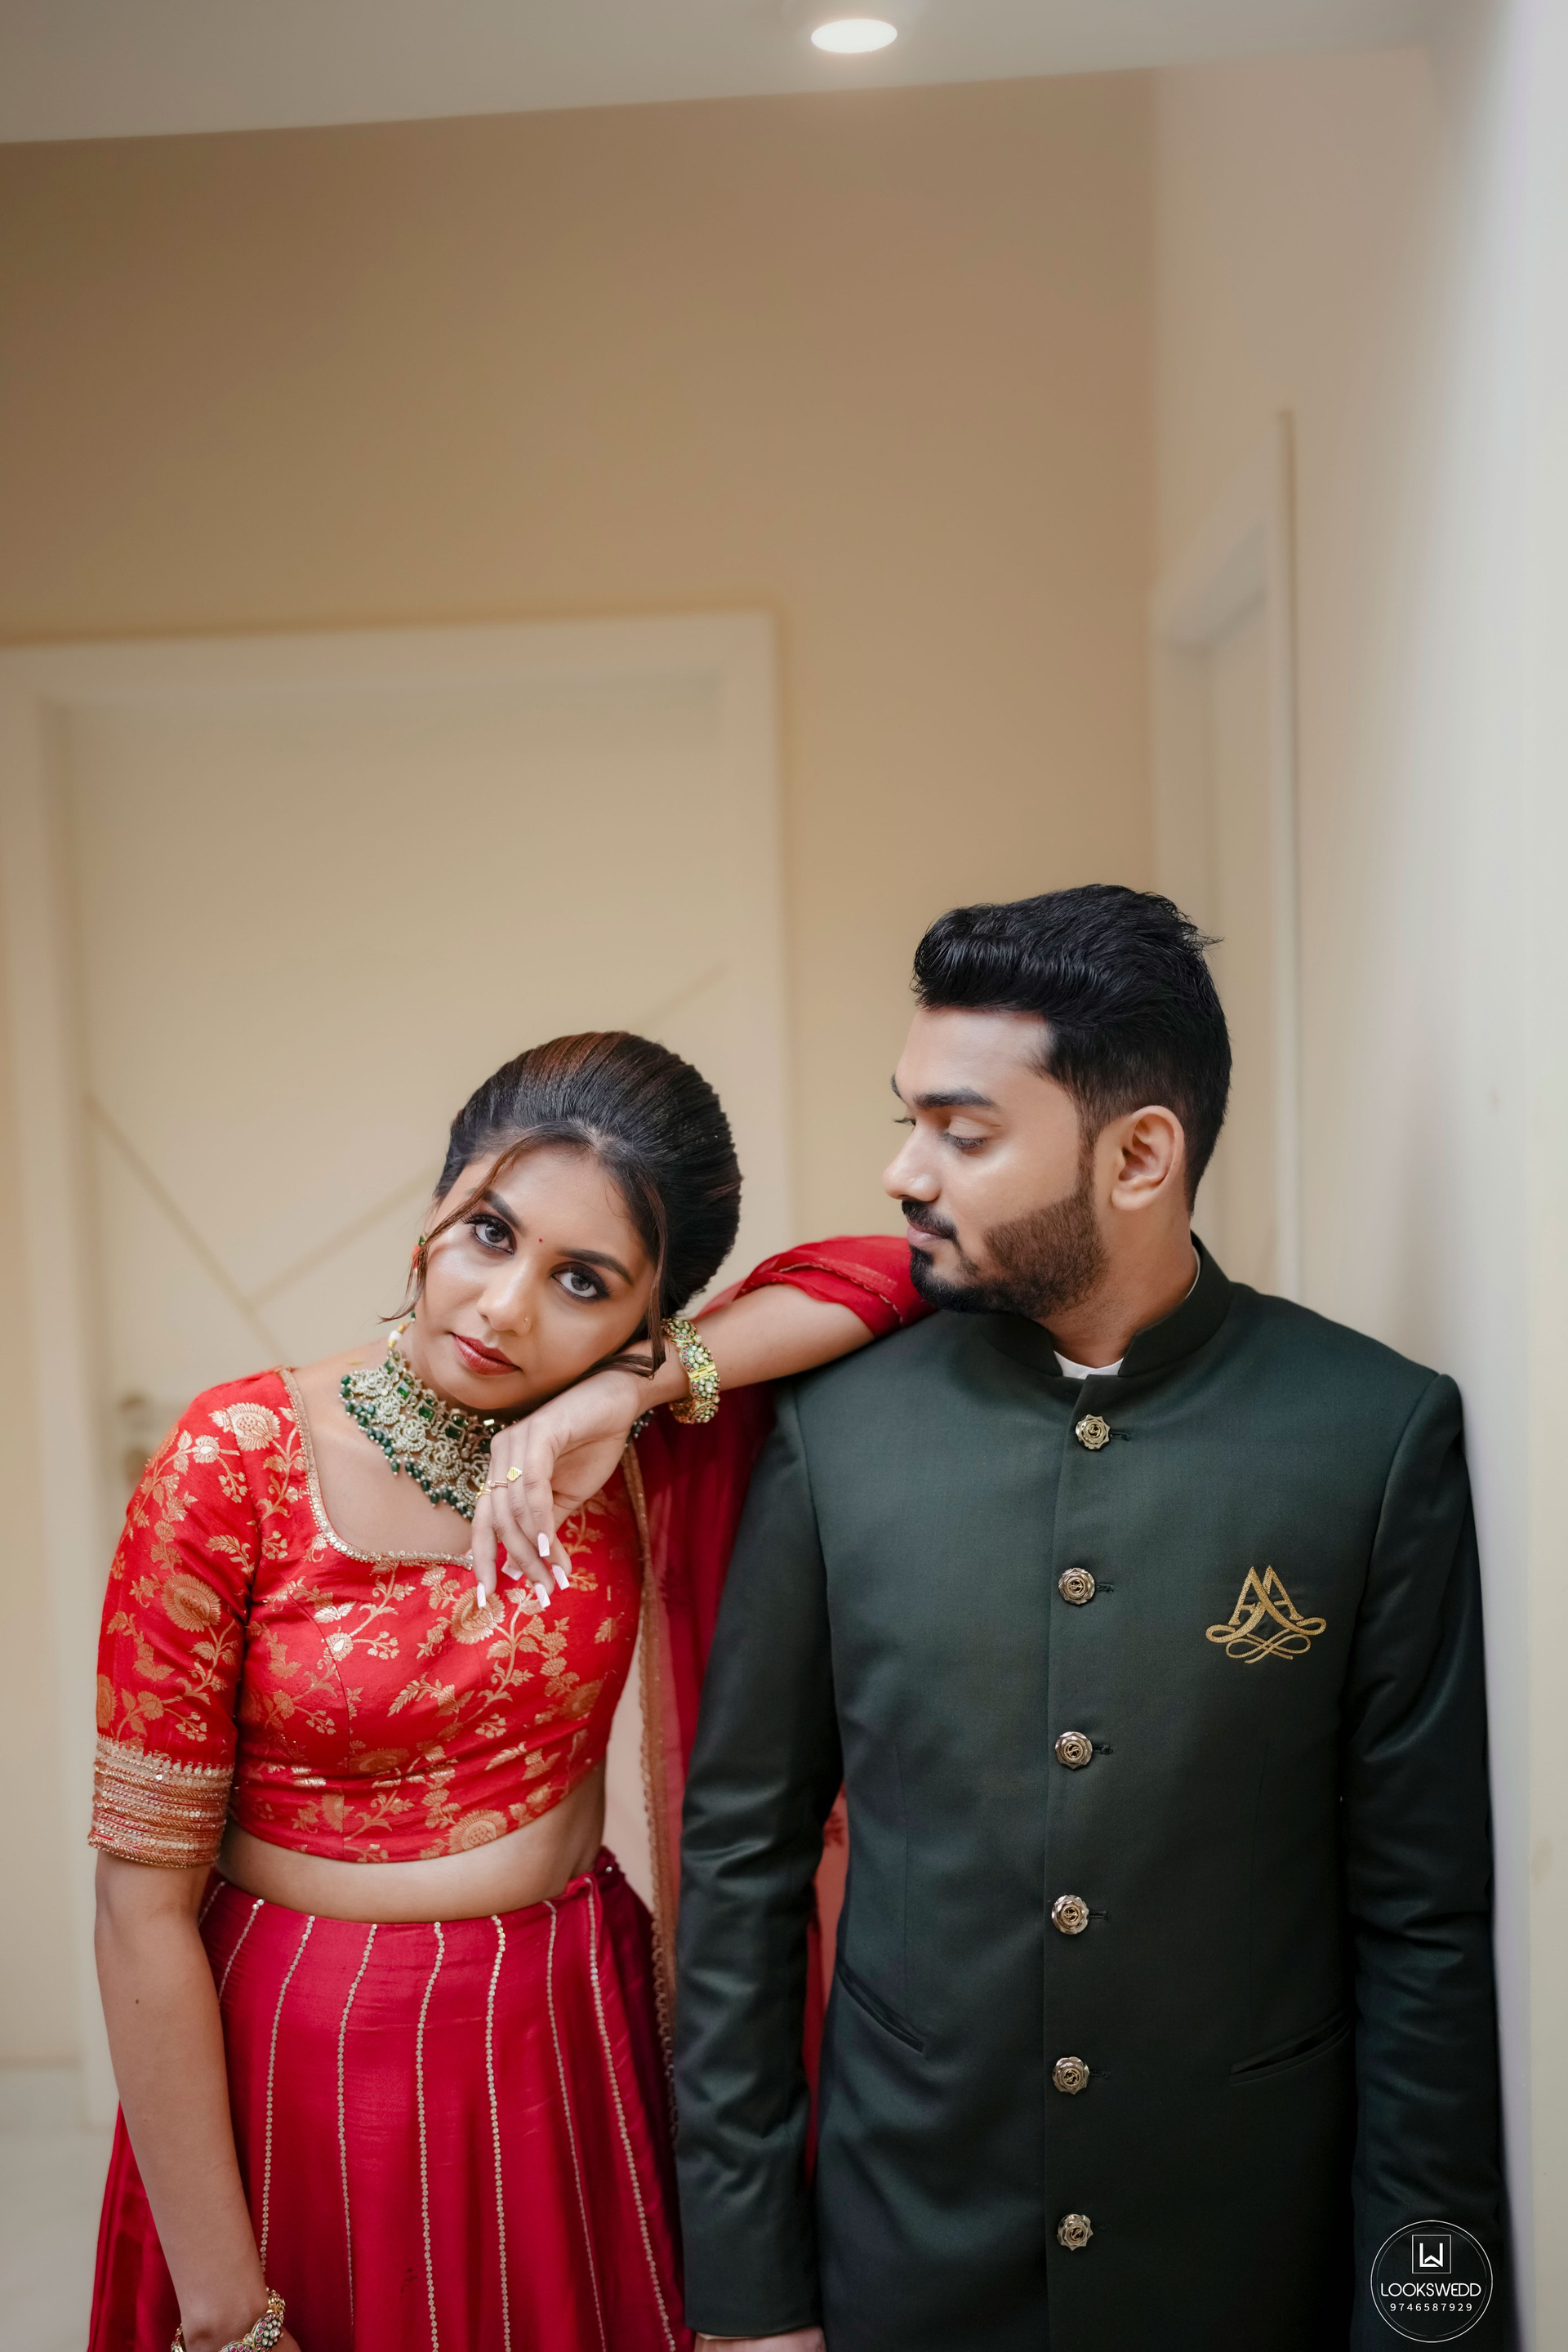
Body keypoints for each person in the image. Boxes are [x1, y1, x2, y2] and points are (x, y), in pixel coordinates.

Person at [673, 886, 1507, 2352]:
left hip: (1247, 2264)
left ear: (1139, 1155)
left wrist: (1424, 2322)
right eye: (909, 1121)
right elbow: (742, 1860)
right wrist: (749, 2297)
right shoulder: (838, 1435)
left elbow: (1424, 1922)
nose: (903, 1171)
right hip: (907, 2248)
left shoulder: (1371, 1439)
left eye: (964, 1133)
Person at [88, 1028, 929, 2352]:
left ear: (646, 1317)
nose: (505, 1308)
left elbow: (898, 1274)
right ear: (435, 1212)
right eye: (490, 1234)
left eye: (584, 1281)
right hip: (302, 2054)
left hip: (568, 2035)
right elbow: (138, 1906)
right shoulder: (234, 1461)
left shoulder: (631, 1455)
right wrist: (222, 2308)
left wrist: (638, 1390)